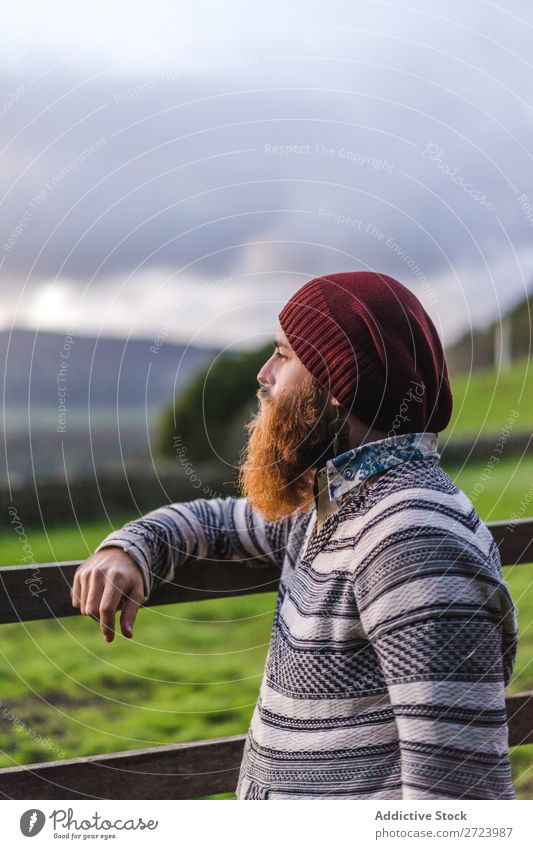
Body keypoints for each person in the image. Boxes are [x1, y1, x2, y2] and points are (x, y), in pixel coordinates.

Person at [71, 270, 519, 800]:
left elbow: (458, 800)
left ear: (337, 383)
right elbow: (219, 522)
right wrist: (131, 547)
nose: (264, 374)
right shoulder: (338, 504)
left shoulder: (410, 539)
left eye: (284, 354)